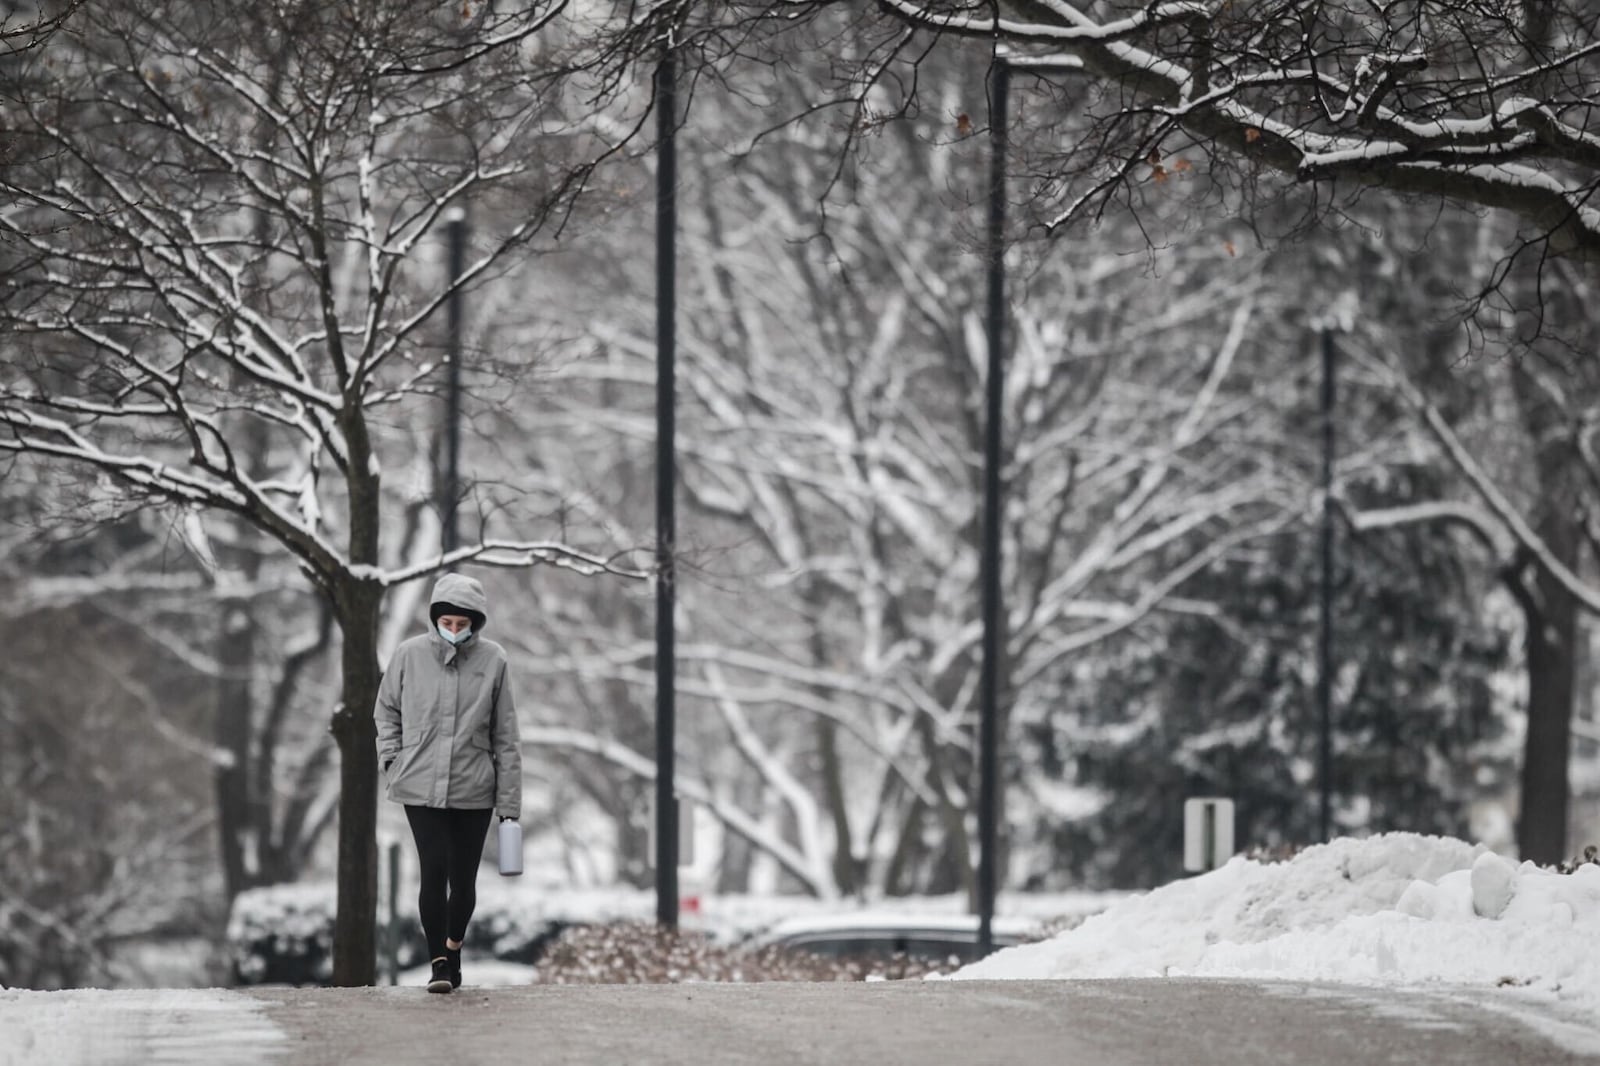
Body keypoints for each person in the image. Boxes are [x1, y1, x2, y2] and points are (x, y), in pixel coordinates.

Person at [375, 572, 522, 993]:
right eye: (447, 622)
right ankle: (438, 964)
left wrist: (509, 806)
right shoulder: (408, 654)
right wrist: (391, 759)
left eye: (462, 624)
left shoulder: (495, 660)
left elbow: (506, 735)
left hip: (474, 787)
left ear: (475, 623)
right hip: (419, 784)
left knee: (464, 882)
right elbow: (386, 711)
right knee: (433, 869)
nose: (454, 631)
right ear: (435, 618)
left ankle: (454, 945)